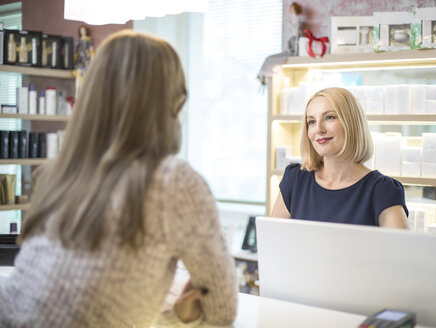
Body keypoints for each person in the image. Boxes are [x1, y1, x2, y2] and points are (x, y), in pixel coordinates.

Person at [0, 30, 237, 327]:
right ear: (171, 102)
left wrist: (175, 317)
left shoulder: (61, 175)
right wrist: (180, 320)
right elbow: (222, 311)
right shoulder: (172, 181)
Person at [271, 87, 409, 229]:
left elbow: (401, 250)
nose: (318, 129)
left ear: (351, 123)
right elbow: (272, 242)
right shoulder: (295, 180)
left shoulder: (382, 190)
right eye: (311, 121)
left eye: (329, 117)